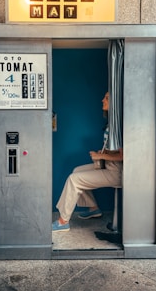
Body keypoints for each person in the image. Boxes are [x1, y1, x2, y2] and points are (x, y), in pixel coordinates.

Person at [52, 92, 123, 232]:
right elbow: (115, 151)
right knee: (76, 171)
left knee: (74, 180)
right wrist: (102, 153)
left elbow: (124, 156)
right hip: (108, 167)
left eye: (107, 98)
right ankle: (93, 208)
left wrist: (101, 157)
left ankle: (63, 221)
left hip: (116, 173)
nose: (102, 100)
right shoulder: (112, 123)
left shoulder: (119, 126)